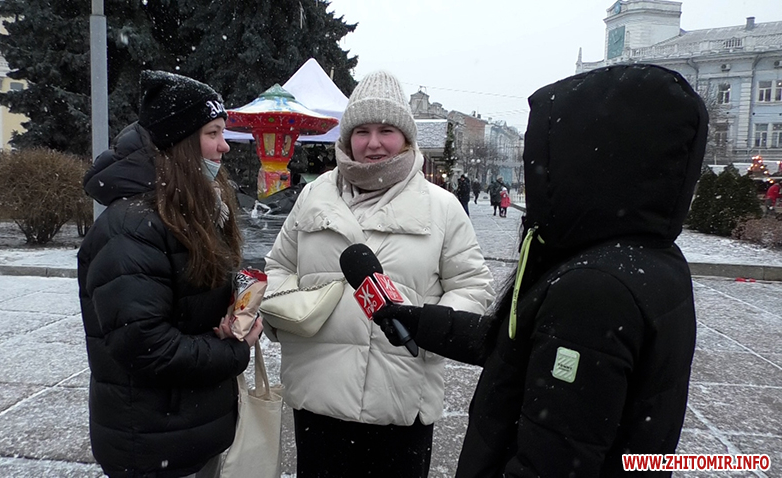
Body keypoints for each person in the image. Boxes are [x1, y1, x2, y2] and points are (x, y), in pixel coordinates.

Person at [372, 64, 708, 476]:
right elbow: (515, 344)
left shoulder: (594, 291)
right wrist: (420, 320)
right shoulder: (647, 258)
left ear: (587, 164)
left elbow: (551, 460)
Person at [263, 70, 495, 478]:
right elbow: (279, 266)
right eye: (362, 131)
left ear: (405, 138)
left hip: (400, 404)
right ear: (347, 137)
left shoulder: (441, 207)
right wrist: (289, 315)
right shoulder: (313, 196)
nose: (373, 143)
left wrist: (427, 328)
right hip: (319, 400)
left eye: (386, 130)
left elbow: (472, 285)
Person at [78, 70, 264, 478]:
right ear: (180, 143)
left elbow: (187, 304)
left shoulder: (189, 210)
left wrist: (233, 314)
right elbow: (144, 344)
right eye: (213, 133)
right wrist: (232, 352)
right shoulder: (132, 225)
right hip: (153, 443)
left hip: (187, 432)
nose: (225, 145)